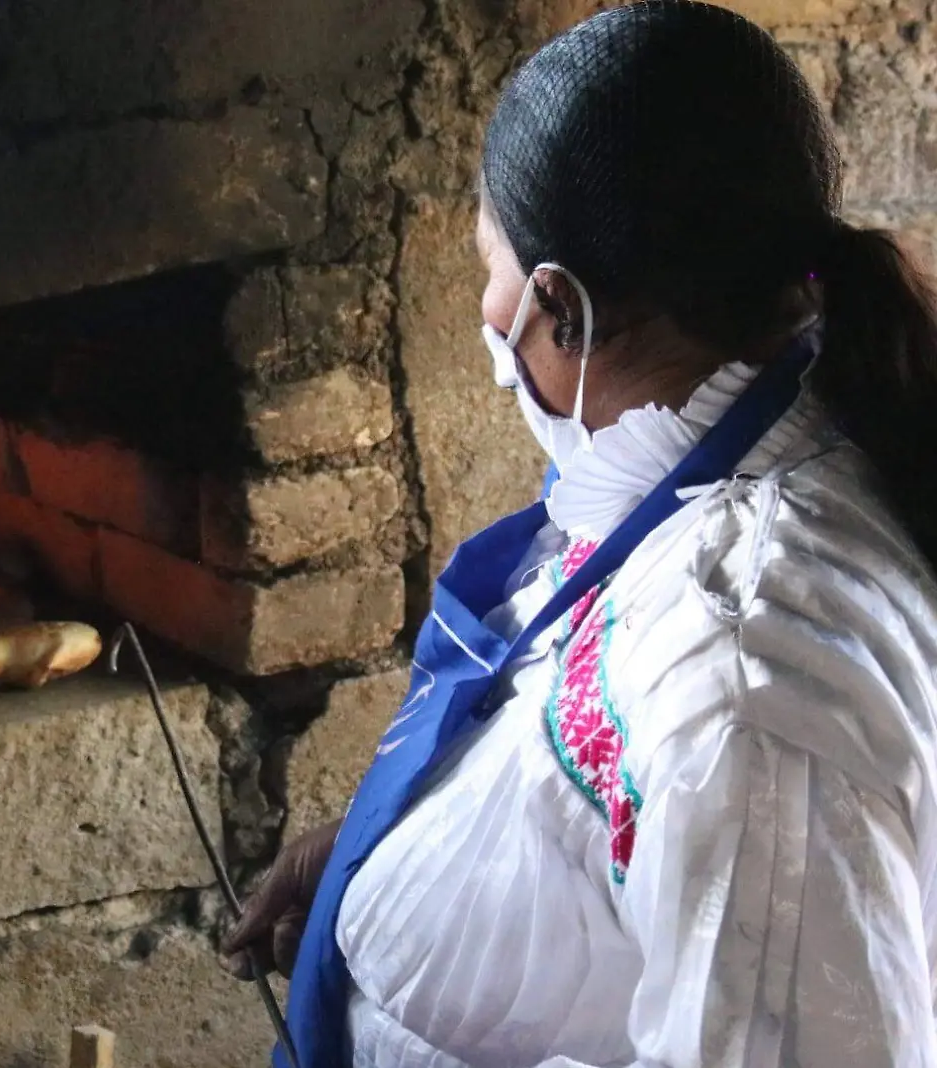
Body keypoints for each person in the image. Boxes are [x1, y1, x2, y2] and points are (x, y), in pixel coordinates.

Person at [218, 3, 937, 1067]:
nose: (485, 309)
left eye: (488, 269)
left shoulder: (751, 685)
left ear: (558, 306)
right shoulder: (731, 454)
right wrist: (402, 855)